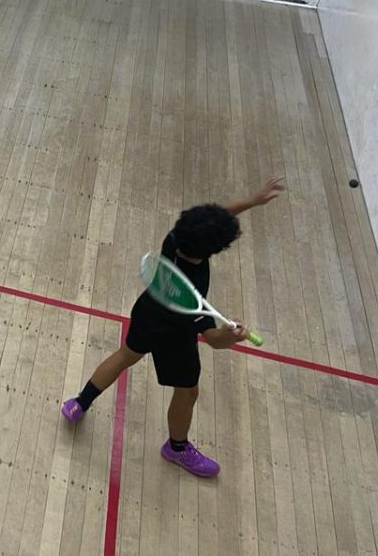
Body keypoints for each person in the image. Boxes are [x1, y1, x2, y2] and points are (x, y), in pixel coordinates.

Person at [61, 175, 285, 477]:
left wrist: (252, 201)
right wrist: (234, 337)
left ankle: (79, 403)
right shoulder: (191, 294)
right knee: (188, 392)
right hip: (175, 334)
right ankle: (176, 449)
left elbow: (214, 218)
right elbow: (214, 340)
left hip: (147, 311)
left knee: (125, 355)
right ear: (211, 251)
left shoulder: (177, 238)